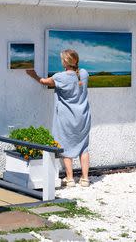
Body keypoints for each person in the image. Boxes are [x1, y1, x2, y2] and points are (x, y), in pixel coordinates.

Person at [26, 49, 91, 187]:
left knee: (66, 145)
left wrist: (33, 75)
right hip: (83, 117)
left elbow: (44, 81)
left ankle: (70, 179)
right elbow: (77, 80)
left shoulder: (60, 77)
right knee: (83, 147)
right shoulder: (84, 74)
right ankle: (85, 179)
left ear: (65, 62)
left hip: (67, 117)